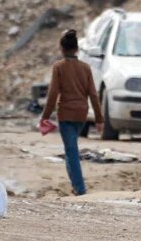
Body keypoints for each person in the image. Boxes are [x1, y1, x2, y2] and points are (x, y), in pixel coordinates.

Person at [40, 29, 103, 196]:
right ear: (77, 49)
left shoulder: (59, 67)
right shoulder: (85, 68)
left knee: (71, 150)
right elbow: (93, 94)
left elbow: (53, 94)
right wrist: (99, 119)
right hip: (81, 114)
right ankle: (75, 186)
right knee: (70, 148)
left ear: (61, 48)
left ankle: (80, 188)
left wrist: (45, 117)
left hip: (66, 114)